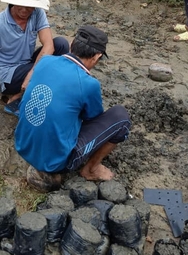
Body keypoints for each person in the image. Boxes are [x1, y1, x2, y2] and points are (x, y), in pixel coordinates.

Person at [14, 26, 131, 191]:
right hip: (55, 162)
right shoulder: (89, 83)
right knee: (121, 117)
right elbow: (92, 120)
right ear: (97, 56)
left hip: (23, 145)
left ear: (71, 45)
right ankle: (91, 168)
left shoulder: (45, 61)